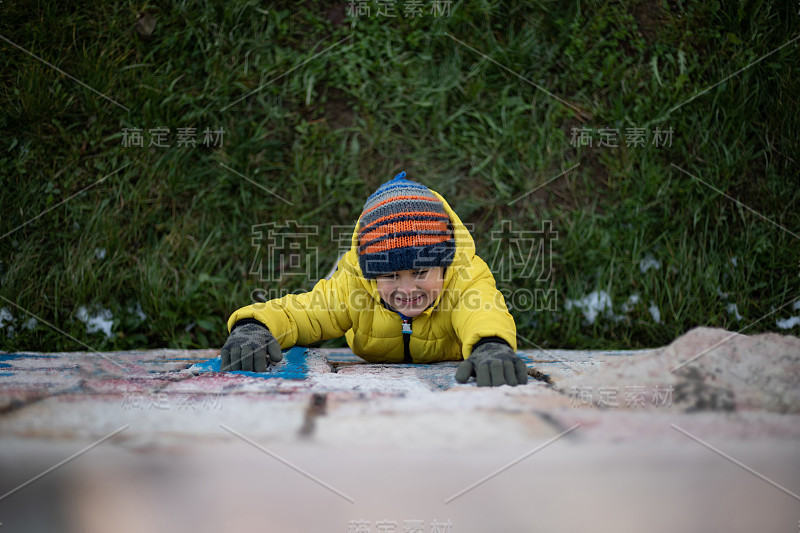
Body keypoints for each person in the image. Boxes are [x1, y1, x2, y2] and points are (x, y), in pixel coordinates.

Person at [220, 171, 528, 387]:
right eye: (391, 276)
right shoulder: (356, 285)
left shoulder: (464, 276)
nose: (407, 289)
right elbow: (304, 312)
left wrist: (490, 345)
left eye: (420, 272)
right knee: (327, 299)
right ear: (371, 274)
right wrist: (255, 327)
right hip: (363, 310)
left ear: (443, 264)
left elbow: (483, 310)